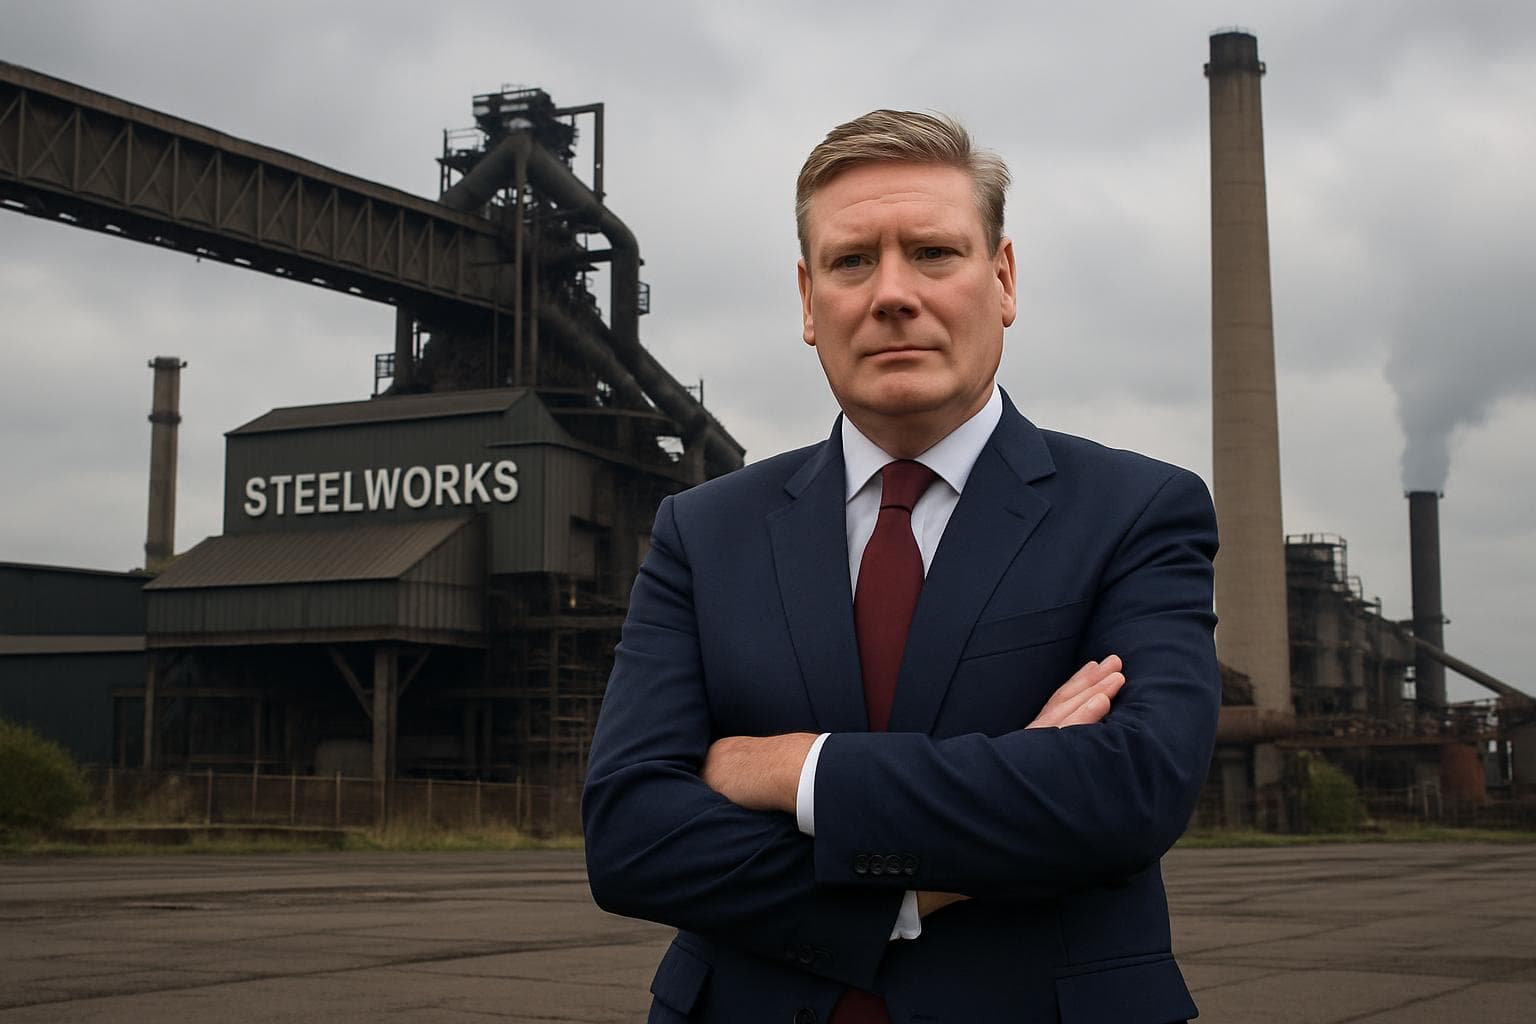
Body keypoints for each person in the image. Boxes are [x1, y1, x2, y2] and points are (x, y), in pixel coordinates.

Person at [582, 109, 1220, 1024]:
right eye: (851, 262)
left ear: (1001, 279)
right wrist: (913, 894)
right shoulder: (702, 531)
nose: (891, 294)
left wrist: (800, 771)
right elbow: (631, 839)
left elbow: (1130, 791)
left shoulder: (1135, 512)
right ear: (809, 302)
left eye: (931, 253)